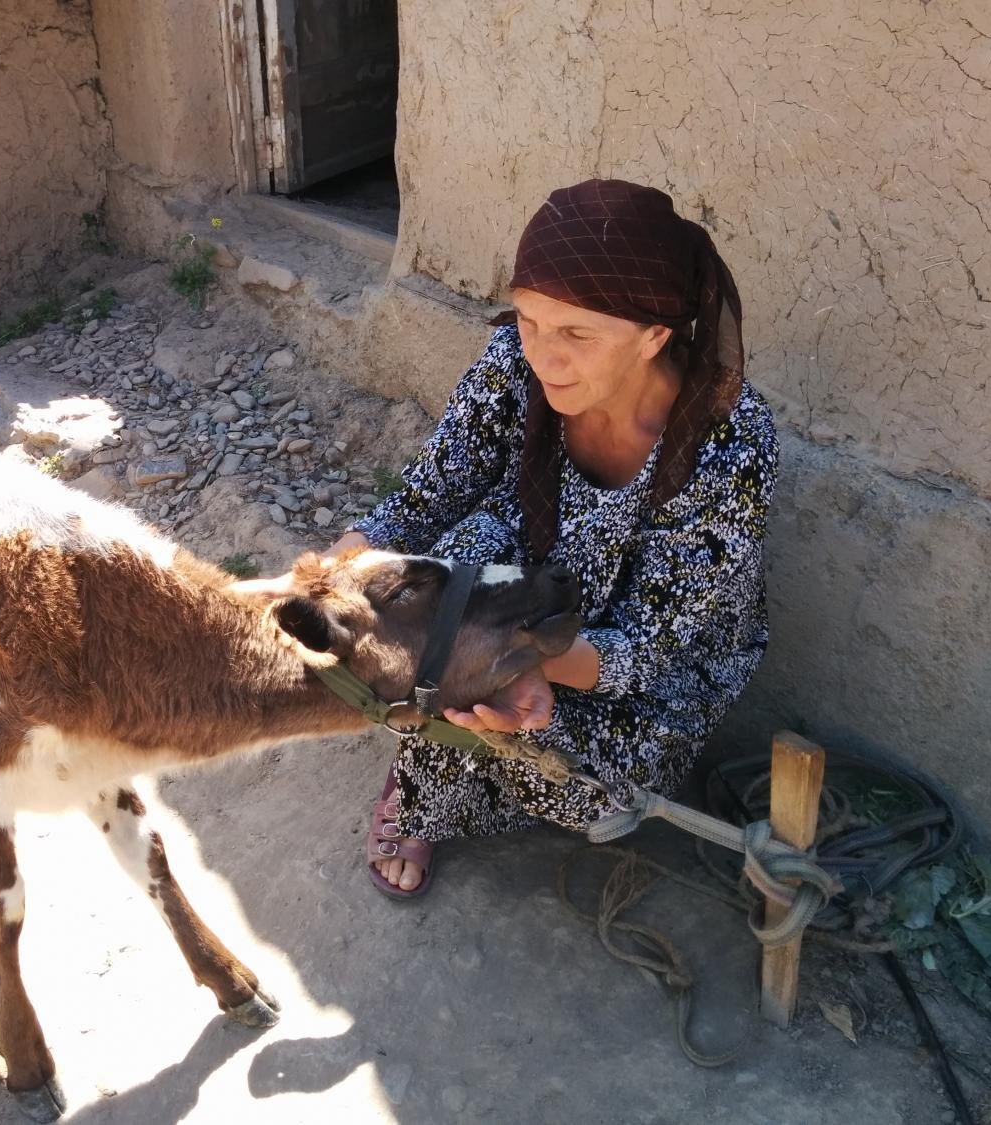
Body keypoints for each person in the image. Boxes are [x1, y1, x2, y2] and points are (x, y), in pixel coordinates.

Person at [328, 179, 779, 897]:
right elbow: (431, 490)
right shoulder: (514, 361)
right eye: (531, 320)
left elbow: (646, 648)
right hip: (523, 584)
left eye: (577, 333)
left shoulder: (730, 444)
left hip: (631, 659)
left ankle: (462, 759)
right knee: (411, 625)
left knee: (593, 796)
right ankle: (427, 786)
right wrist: (346, 560)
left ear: (656, 334)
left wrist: (514, 663)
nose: (544, 356)